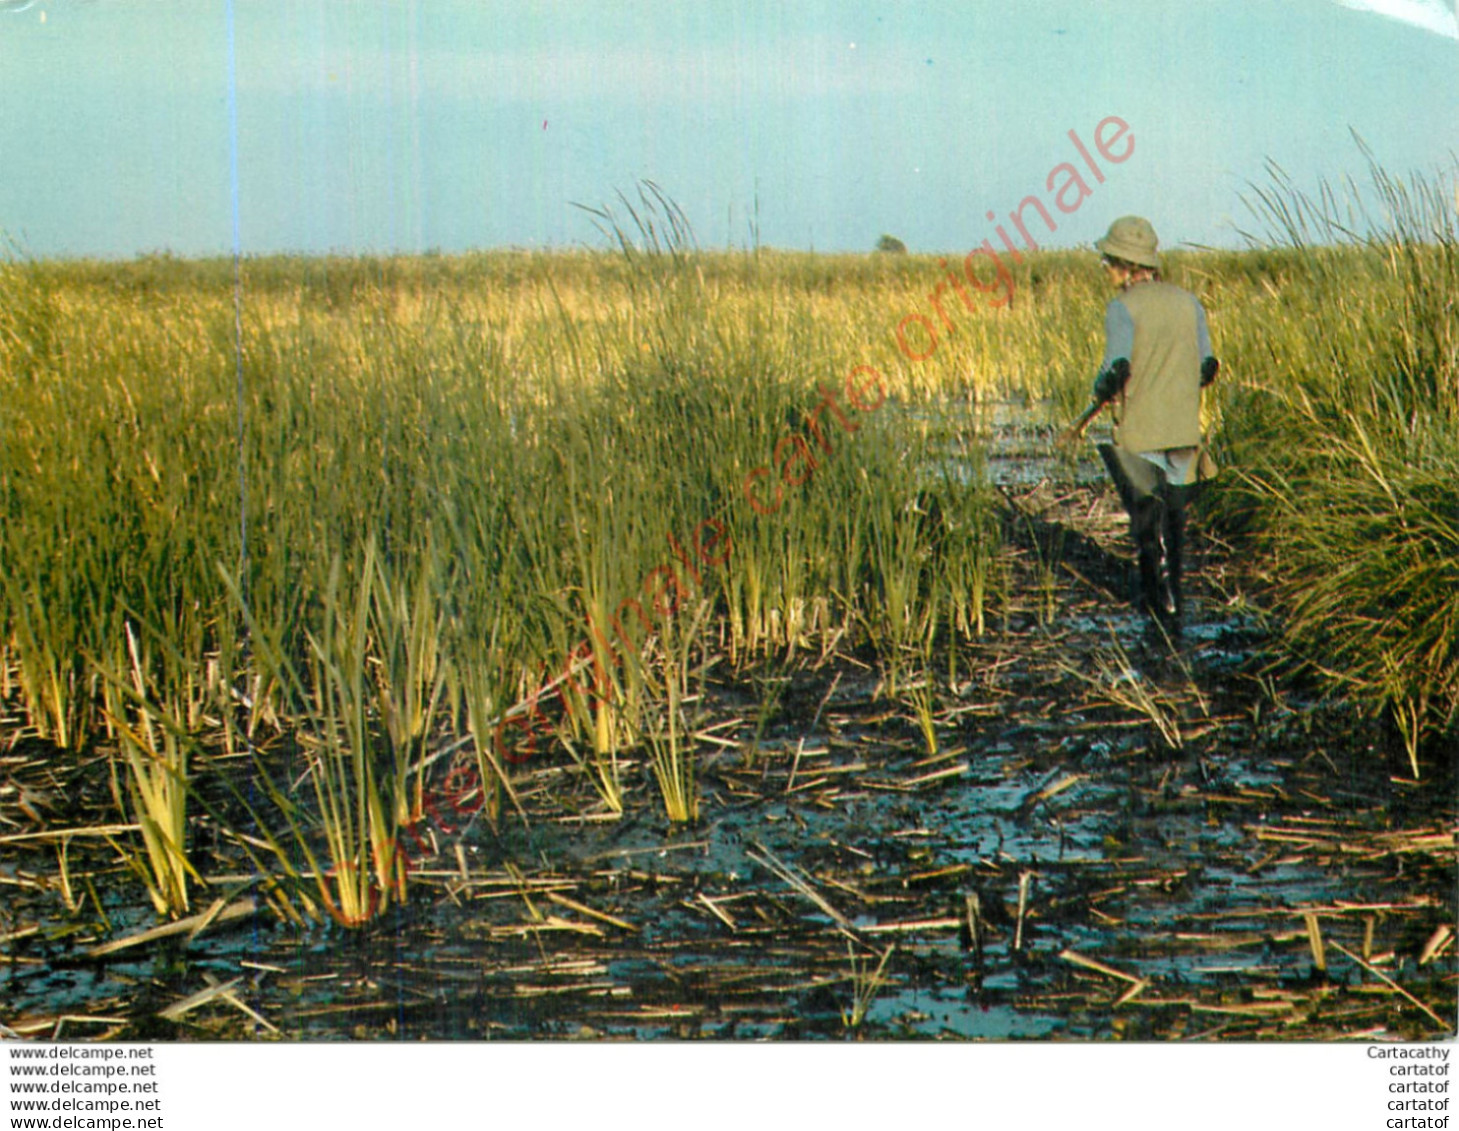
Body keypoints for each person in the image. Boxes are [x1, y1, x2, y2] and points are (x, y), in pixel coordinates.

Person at [1075, 216, 1219, 626]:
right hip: (1184, 429)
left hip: (1141, 428)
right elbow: (1207, 366)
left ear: (1123, 265)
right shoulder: (1189, 302)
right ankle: (1176, 599)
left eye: (1107, 262)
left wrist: (1098, 396)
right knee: (1174, 518)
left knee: (1145, 523)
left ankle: (1158, 606)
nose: (1105, 270)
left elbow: (1115, 368)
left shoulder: (1121, 308)